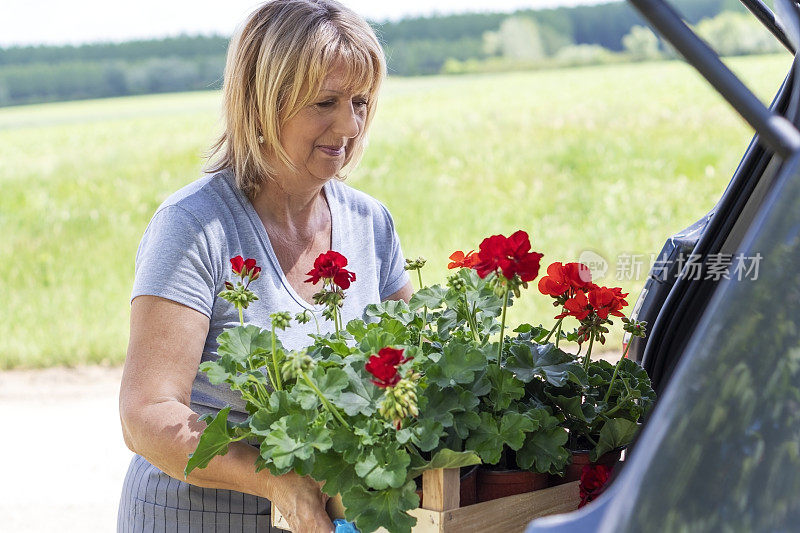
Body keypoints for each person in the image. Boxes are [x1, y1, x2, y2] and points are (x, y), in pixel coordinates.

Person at [117, 1, 413, 531]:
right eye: (325, 102)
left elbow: (409, 369)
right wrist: (272, 479)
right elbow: (147, 414)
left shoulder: (372, 224)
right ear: (262, 105)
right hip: (194, 518)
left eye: (361, 101)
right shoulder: (193, 225)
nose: (350, 124)